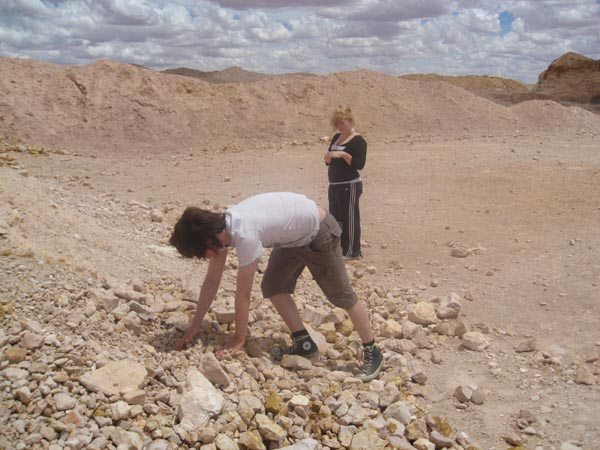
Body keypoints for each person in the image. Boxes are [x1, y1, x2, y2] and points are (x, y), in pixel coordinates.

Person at [169, 192, 384, 382]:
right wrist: (195, 324)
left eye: (200, 253)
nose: (204, 258)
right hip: (293, 238)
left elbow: (243, 294)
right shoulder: (222, 230)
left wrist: (238, 339)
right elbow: (212, 281)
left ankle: (372, 351)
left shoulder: (244, 233)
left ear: (207, 241)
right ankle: (305, 345)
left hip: (319, 233)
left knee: (341, 295)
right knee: (273, 285)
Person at [324, 106, 367, 260]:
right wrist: (327, 158)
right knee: (335, 218)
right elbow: (329, 159)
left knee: (350, 218)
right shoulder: (336, 138)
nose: (339, 127)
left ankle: (352, 252)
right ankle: (339, 249)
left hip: (350, 184)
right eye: (337, 124)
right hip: (334, 184)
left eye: (342, 123)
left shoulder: (358, 141)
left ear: (350, 121)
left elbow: (359, 164)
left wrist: (343, 154)